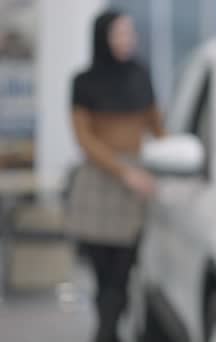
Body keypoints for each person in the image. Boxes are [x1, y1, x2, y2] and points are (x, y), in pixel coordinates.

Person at [65, 9, 165, 342]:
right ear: (103, 37)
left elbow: (157, 127)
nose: (127, 40)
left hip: (133, 187)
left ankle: (105, 334)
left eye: (130, 33)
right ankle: (108, 333)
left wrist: (170, 159)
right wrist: (124, 171)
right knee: (102, 276)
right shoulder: (83, 82)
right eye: (119, 33)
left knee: (122, 275)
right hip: (97, 183)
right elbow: (84, 140)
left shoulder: (141, 75)